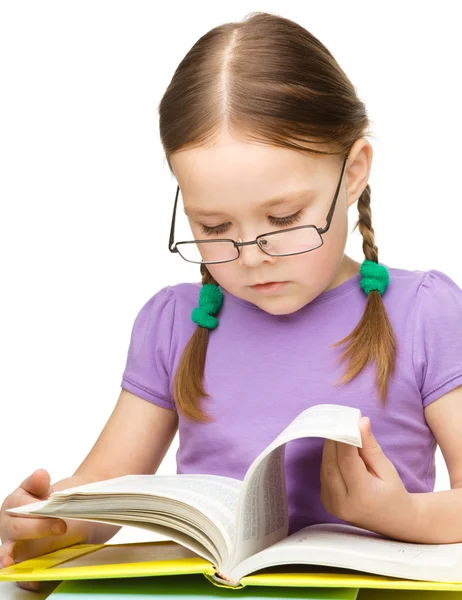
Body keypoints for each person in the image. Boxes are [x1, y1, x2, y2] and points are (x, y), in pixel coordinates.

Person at [2, 10, 462, 593]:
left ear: (354, 175)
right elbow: (104, 492)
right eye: (213, 225)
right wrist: (51, 522)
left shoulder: (424, 311)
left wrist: (403, 515)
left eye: (284, 217)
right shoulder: (174, 323)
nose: (249, 256)